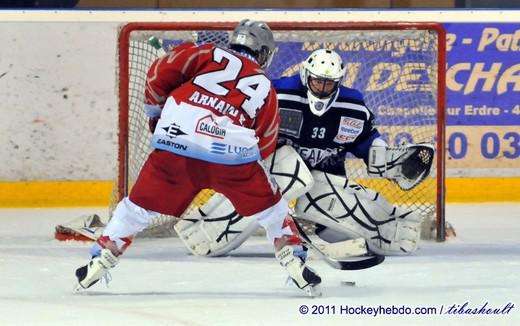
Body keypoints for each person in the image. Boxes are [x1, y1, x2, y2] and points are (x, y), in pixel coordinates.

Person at [74, 19, 322, 297]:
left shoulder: (204, 52)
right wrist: (246, 171)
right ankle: (294, 261)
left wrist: (156, 114)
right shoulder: (265, 85)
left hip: (175, 140)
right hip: (231, 153)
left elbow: (159, 72)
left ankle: (101, 260)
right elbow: (266, 138)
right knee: (272, 210)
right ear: (264, 52)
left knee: (136, 208)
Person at [174, 48, 435, 258]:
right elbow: (243, 125)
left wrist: (381, 155)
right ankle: (207, 225)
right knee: (288, 168)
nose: (321, 87)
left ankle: (384, 224)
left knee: (342, 233)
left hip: (325, 184)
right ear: (305, 75)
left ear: (338, 82)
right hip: (275, 172)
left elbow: (366, 140)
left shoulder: (352, 107)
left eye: (328, 84)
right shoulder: (277, 94)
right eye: (317, 81)